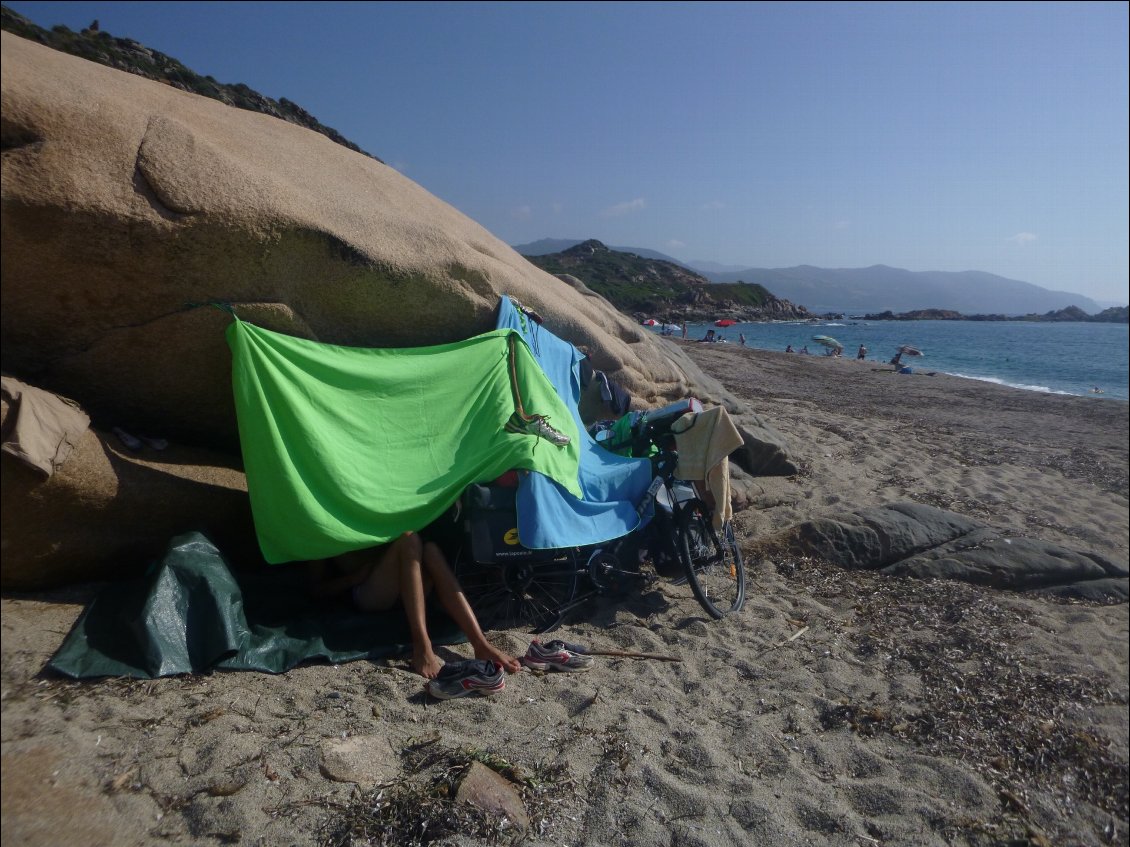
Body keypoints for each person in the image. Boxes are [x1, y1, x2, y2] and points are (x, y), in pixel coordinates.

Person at [310, 529, 520, 679]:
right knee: (409, 539)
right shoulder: (326, 523)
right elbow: (315, 590)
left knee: (430, 550)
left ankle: (480, 644)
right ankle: (422, 645)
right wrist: (352, 578)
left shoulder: (373, 510)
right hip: (368, 594)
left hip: (405, 587)